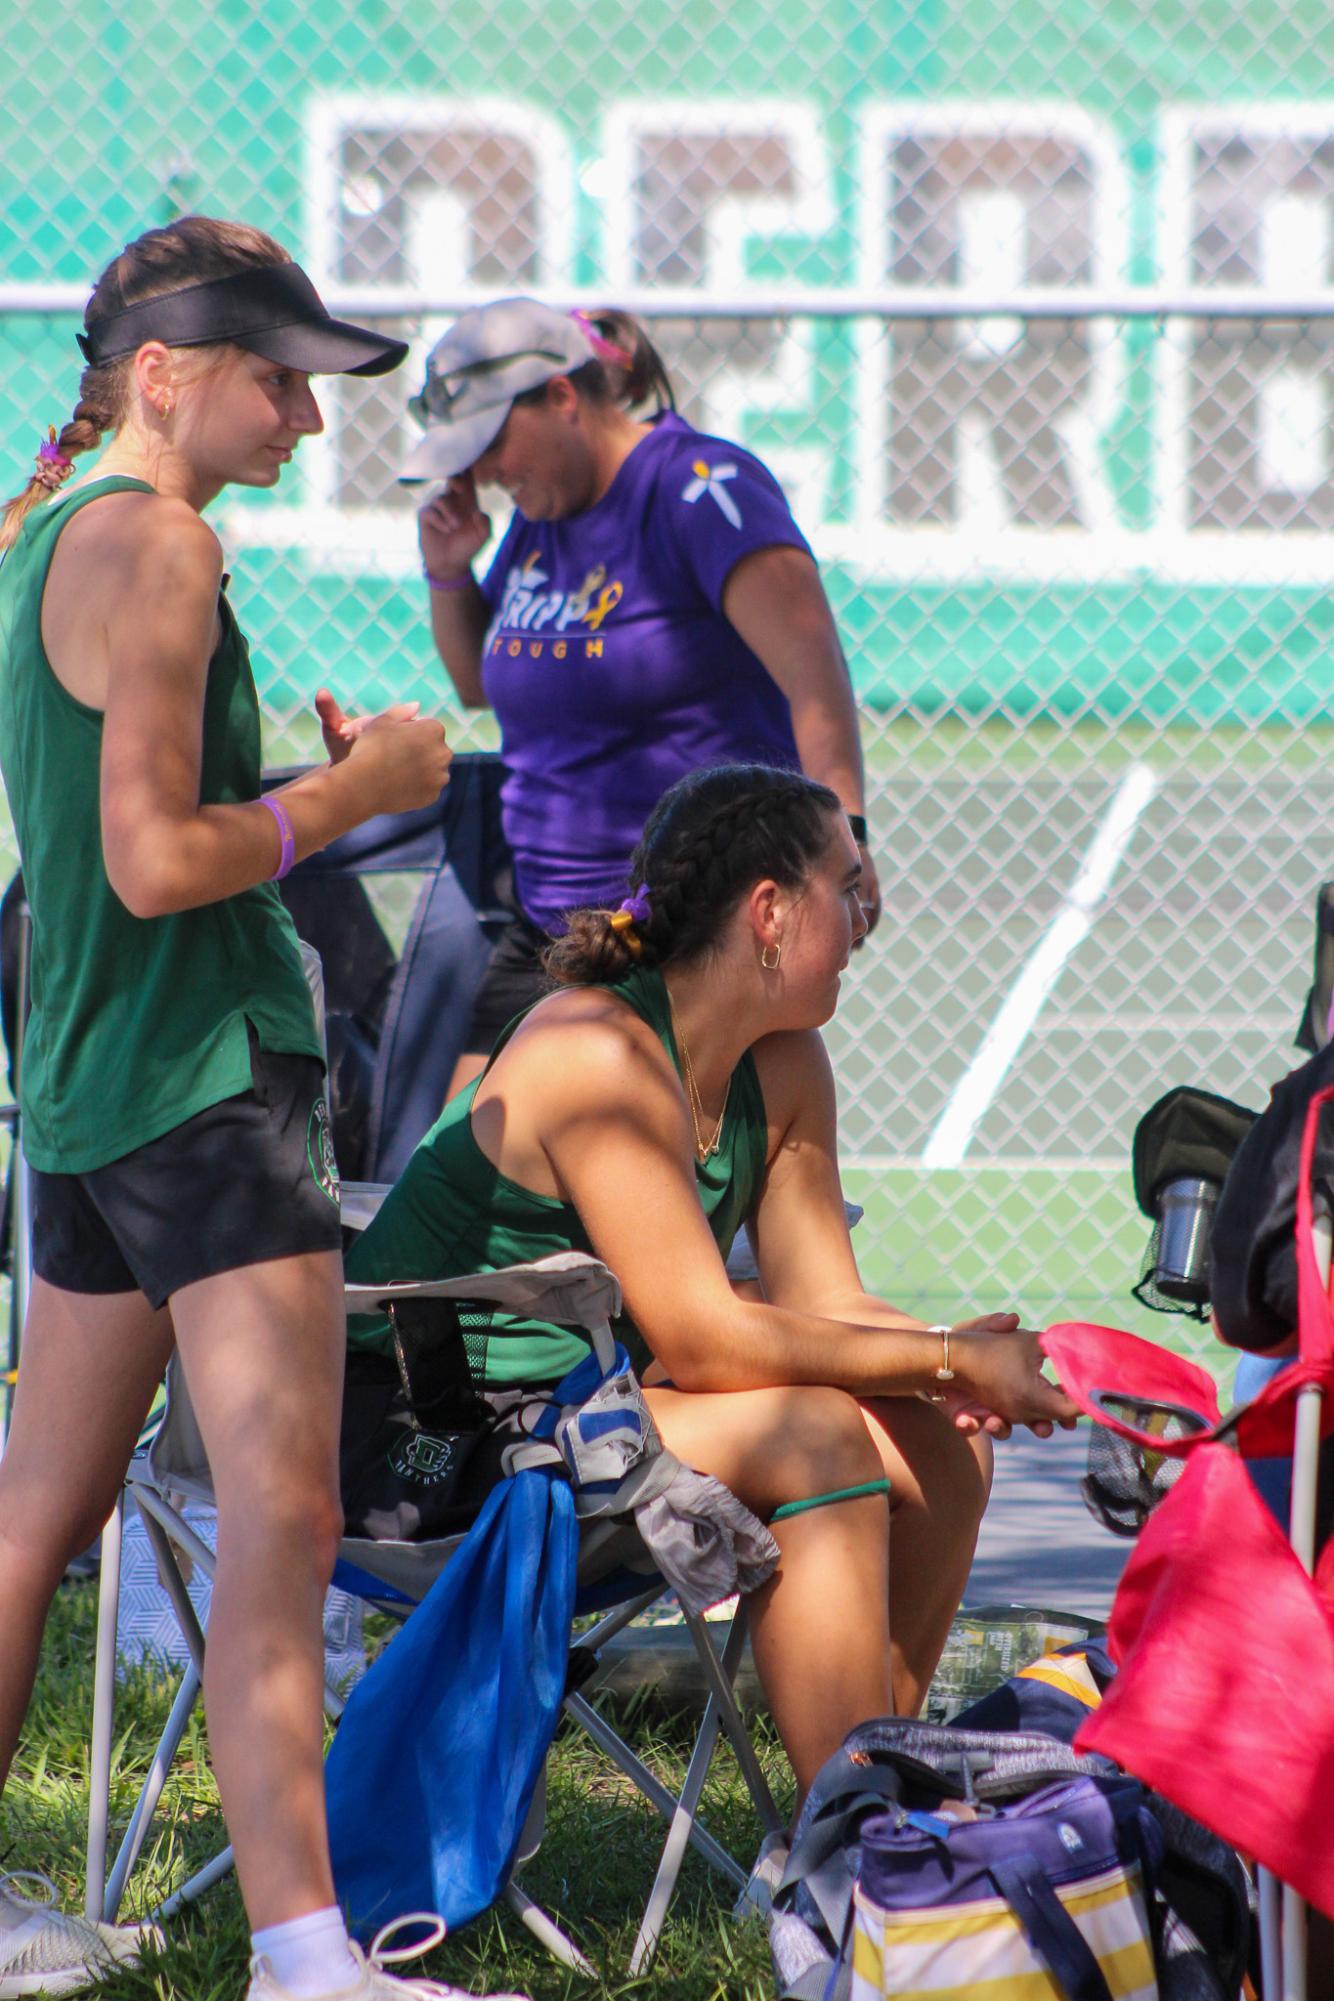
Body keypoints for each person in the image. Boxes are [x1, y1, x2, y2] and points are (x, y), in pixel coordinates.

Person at [0, 217, 509, 2001]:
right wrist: (359, 789)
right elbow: (153, 863)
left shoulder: (46, 526)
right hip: (202, 1094)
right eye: (274, 375)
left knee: (32, 1520)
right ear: (162, 374)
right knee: (284, 1520)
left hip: (80, 1089)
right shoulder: (162, 544)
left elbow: (120, 820)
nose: (303, 412)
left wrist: (308, 791)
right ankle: (312, 1959)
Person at [346, 762, 1077, 1810]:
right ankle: (857, 1846)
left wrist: (970, 1370)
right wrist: (949, 1356)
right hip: (438, 1441)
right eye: (850, 886)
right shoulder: (595, 1051)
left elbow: (827, 1299)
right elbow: (703, 1343)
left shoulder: (780, 1062)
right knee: (817, 1434)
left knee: (940, 1436)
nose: (871, 916)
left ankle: (886, 1795)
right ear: (769, 911)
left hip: (588, 1413)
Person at [402, 296, 883, 1098]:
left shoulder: (697, 487)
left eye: (489, 443)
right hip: (552, 928)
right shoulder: (540, 515)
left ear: (562, 398)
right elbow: (479, 683)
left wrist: (848, 839)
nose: (482, 473)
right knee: (461, 1179)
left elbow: (815, 674)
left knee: (664, 1191)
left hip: (693, 933)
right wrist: (450, 568)